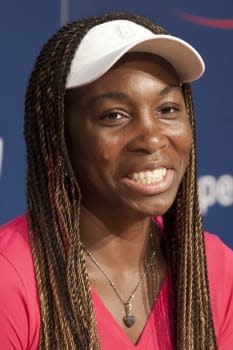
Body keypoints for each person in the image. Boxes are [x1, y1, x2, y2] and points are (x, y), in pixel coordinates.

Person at [0, 12, 232, 350]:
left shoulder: (214, 268)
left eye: (167, 109)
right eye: (114, 116)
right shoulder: (11, 278)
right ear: (59, 137)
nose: (151, 139)